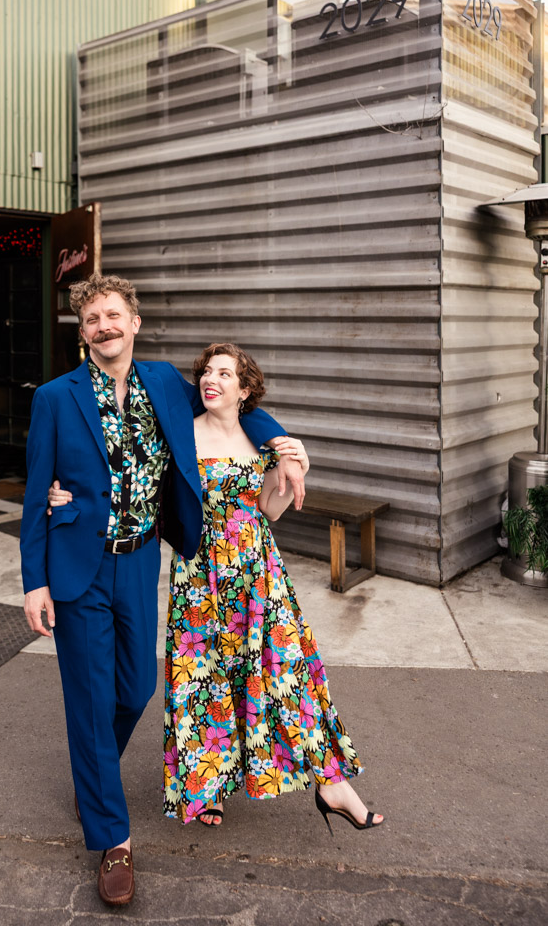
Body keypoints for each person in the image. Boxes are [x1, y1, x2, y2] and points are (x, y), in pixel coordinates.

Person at [20, 273, 304, 908]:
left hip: (142, 558)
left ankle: (92, 773)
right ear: (83, 331)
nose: (104, 326)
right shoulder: (55, 399)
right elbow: (37, 492)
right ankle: (113, 839)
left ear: (135, 322)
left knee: (136, 688)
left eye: (113, 315)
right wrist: (33, 580)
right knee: (92, 699)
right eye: (92, 319)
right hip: (76, 567)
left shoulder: (164, 384)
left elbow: (238, 408)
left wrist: (284, 448)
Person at [161, 344, 384, 831]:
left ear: (245, 390)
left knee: (287, 671)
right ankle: (207, 785)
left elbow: (270, 511)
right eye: (206, 372)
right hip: (201, 578)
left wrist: (295, 467)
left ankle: (333, 784)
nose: (210, 379)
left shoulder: (263, 442)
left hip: (259, 573)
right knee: (206, 680)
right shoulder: (181, 435)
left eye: (225, 373)